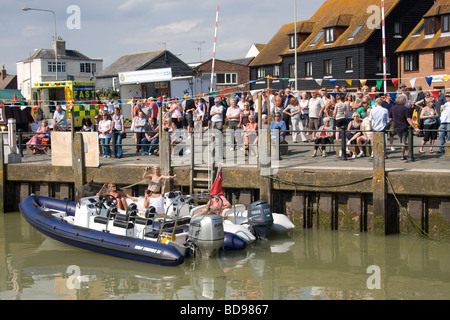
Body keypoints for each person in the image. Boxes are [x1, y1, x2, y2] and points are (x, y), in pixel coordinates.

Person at [389, 94, 420, 160]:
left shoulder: (393, 108)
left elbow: (390, 118)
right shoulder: (405, 108)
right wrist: (415, 127)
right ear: (402, 101)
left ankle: (408, 153)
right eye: (405, 100)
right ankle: (403, 155)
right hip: (404, 127)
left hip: (396, 126)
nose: (406, 101)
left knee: (403, 142)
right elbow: (408, 119)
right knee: (404, 142)